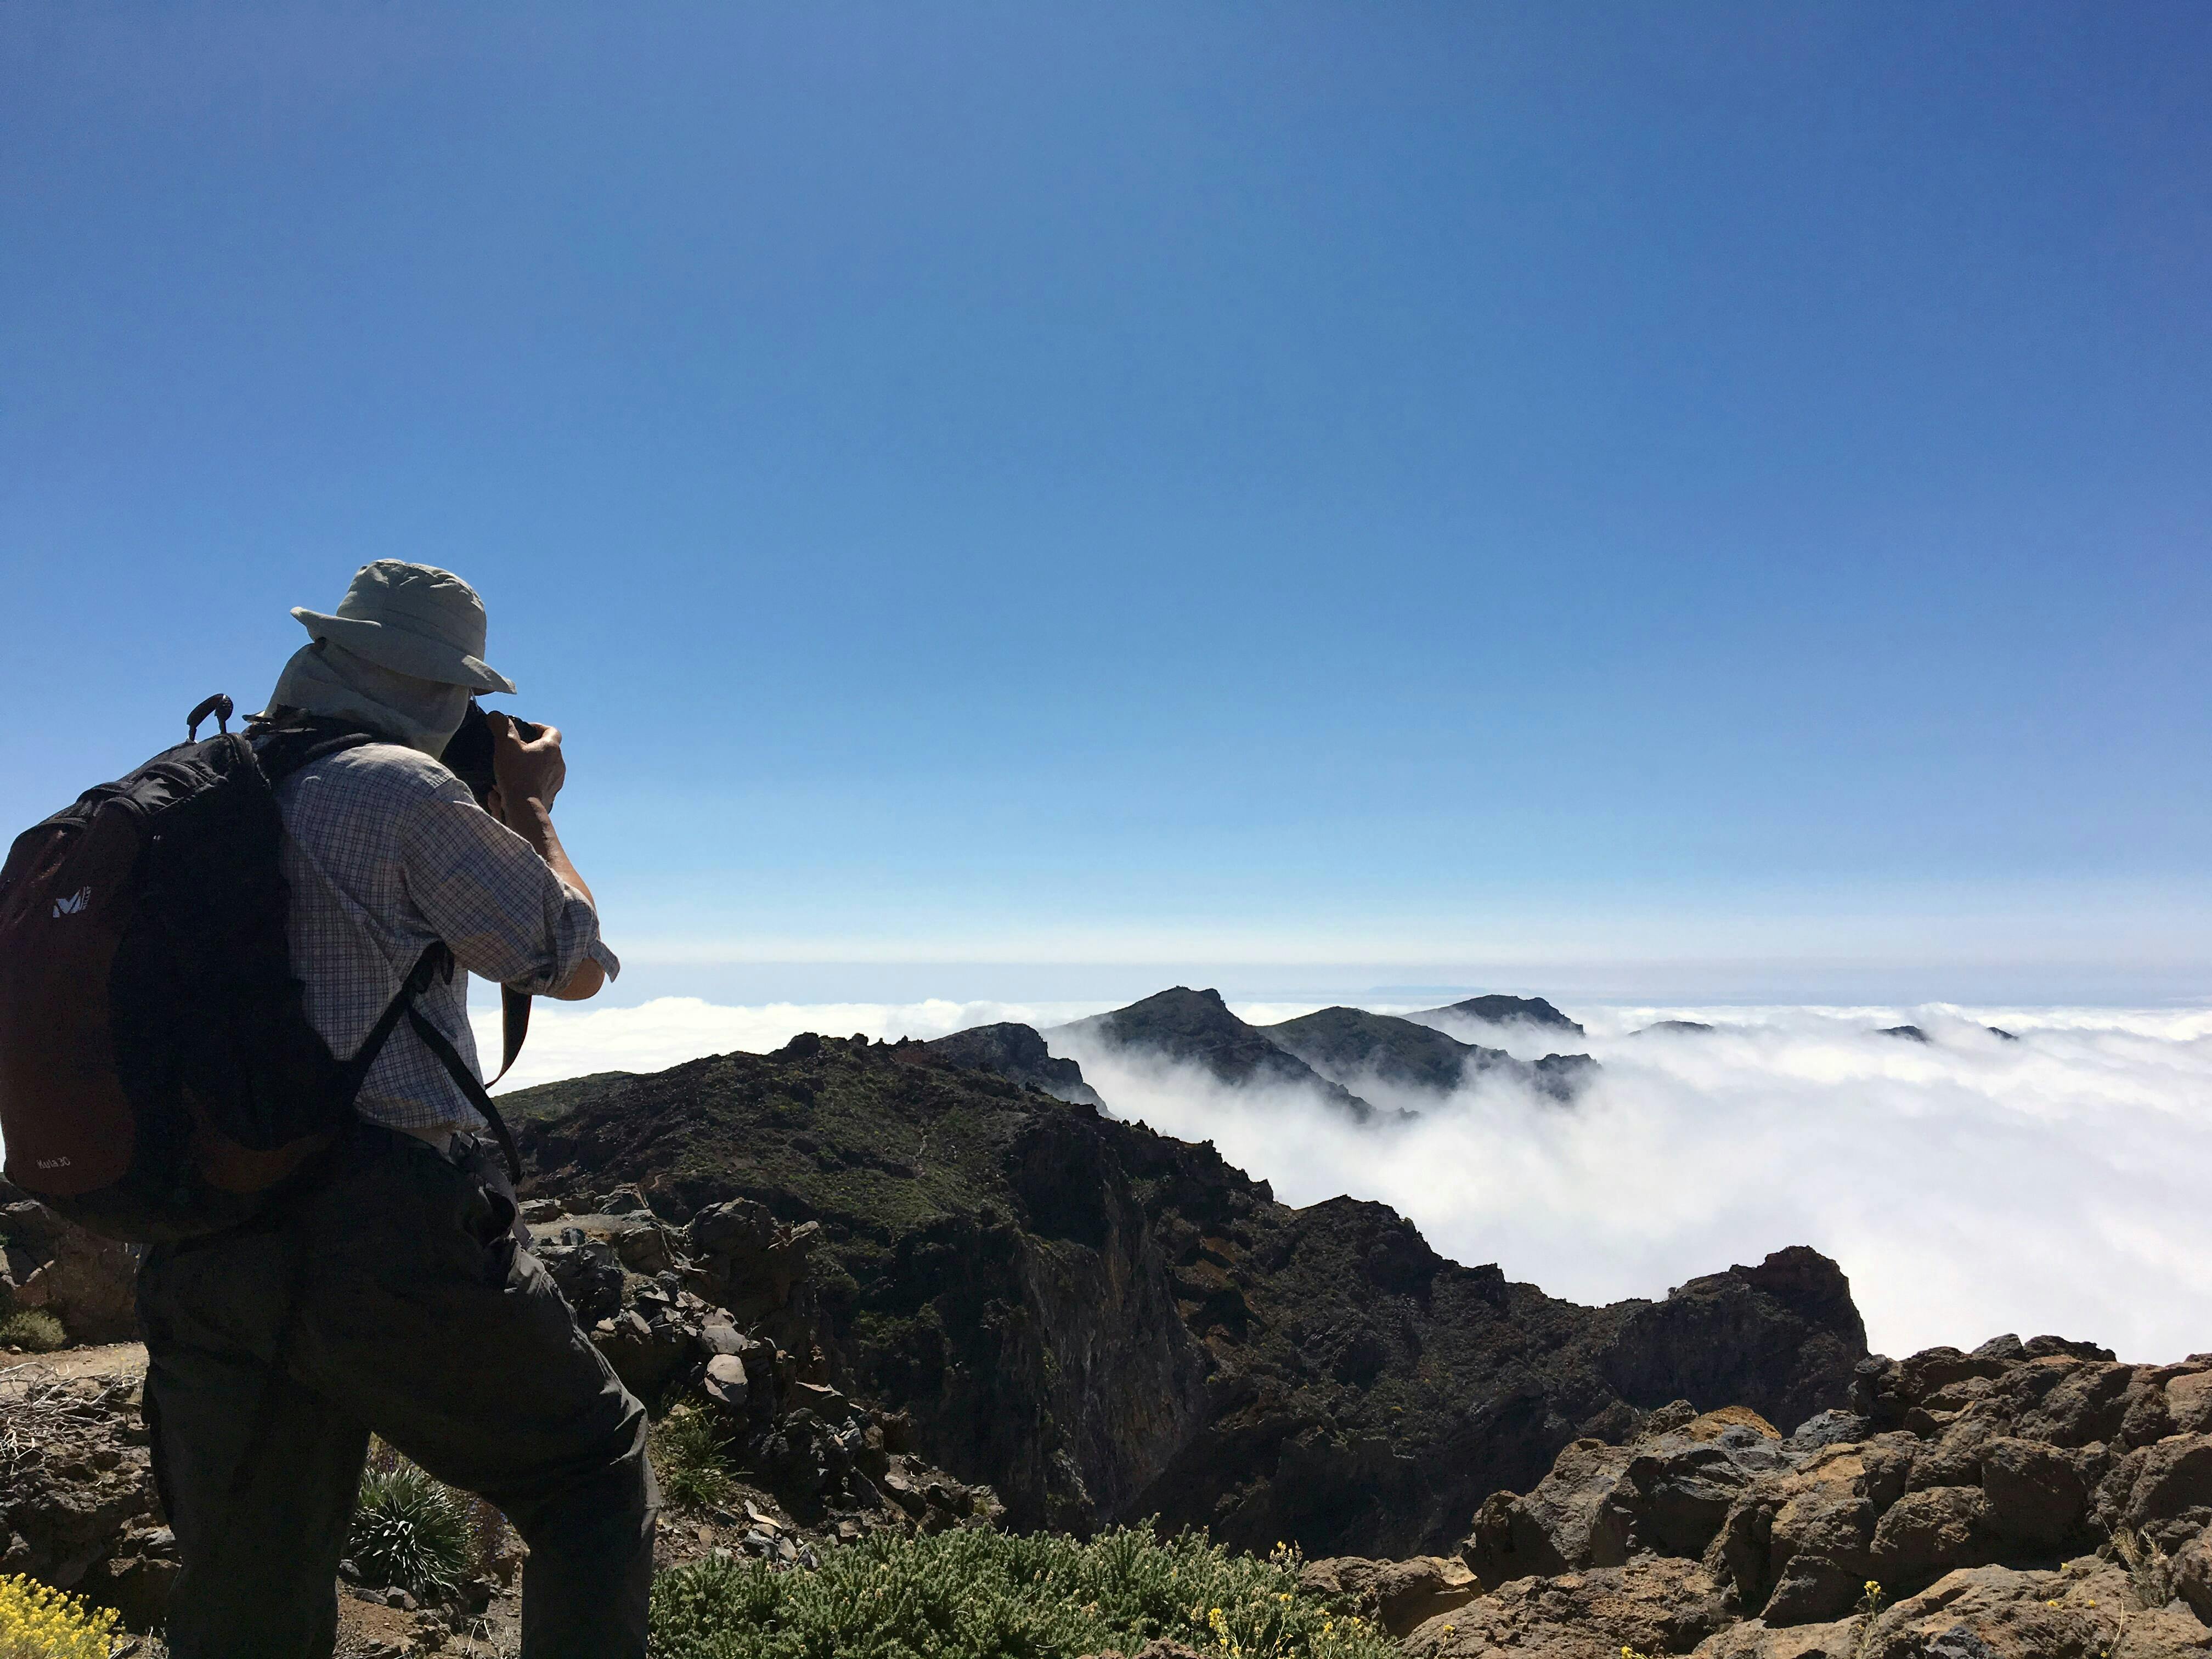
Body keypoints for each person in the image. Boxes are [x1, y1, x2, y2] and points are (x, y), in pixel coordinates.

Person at [134, 560, 659, 1659]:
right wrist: (531, 805)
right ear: (437, 689)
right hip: (383, 1231)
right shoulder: (399, 791)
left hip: (198, 1236)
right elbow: (571, 960)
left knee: (248, 1589)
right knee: (592, 1473)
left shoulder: (197, 781)